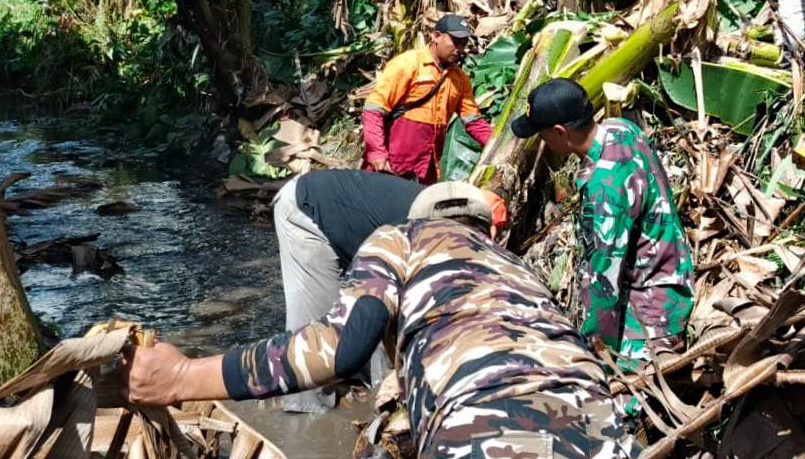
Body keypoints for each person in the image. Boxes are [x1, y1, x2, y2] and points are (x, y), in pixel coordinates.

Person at [125, 183, 640, 459]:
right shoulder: (518, 267)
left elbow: (342, 347)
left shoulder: (400, 237)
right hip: (602, 426)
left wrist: (185, 378)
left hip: (484, 428)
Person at [272, 168, 511, 412]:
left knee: (370, 327)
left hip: (352, 223)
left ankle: (372, 389)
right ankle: (305, 411)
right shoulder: (422, 228)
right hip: (306, 210)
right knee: (321, 334)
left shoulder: (443, 218)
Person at [510, 79, 694, 367]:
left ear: (561, 132)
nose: (543, 143)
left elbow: (605, 281)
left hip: (651, 309)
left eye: (543, 135)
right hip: (671, 271)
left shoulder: (605, 190)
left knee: (623, 401)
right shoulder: (622, 129)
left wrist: (595, 355)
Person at [363, 14, 494, 182]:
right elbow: (374, 109)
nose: (459, 49)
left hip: (427, 169)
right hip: (392, 164)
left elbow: (474, 122)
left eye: (463, 43)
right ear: (436, 36)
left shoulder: (460, 79)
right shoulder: (408, 64)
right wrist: (377, 153)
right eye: (455, 41)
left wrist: (497, 143)